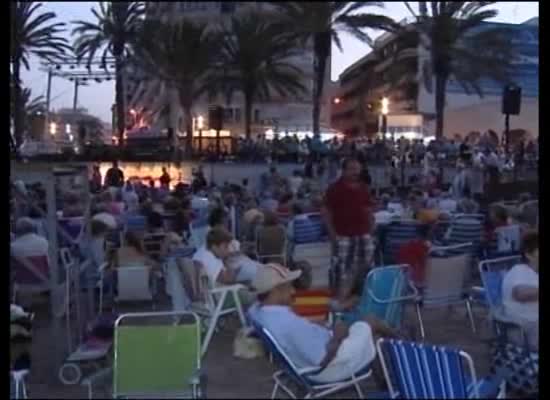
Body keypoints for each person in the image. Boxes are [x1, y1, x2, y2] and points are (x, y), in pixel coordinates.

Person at [248, 264, 399, 383]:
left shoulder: (259, 312)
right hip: (328, 369)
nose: (293, 290)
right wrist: (338, 338)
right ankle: (403, 344)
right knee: (370, 321)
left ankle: (386, 381)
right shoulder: (286, 323)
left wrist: (324, 328)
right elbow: (322, 360)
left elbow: (254, 305)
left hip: (308, 358)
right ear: (276, 291)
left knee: (365, 329)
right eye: (288, 286)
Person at [323, 158, 375, 290]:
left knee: (367, 266)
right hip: (343, 234)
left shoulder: (364, 188)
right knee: (343, 268)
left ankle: (363, 294)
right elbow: (326, 212)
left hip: (364, 234)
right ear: (344, 170)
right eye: (352, 169)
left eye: (357, 169)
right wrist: (332, 234)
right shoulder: (334, 188)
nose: (355, 172)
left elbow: (368, 209)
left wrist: (371, 229)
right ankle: (342, 298)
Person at [502, 231, 538, 350]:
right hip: (525, 327)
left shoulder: (535, 273)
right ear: (528, 254)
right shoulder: (519, 270)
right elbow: (520, 294)